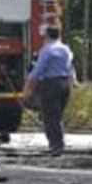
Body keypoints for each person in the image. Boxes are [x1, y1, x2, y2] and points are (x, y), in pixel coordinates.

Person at [22, 26, 76, 156]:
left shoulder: (47, 50)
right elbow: (70, 68)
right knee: (57, 116)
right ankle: (59, 144)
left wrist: (27, 88)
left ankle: (56, 146)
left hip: (50, 84)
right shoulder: (66, 49)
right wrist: (72, 84)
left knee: (50, 117)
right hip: (64, 85)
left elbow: (37, 71)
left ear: (46, 36)